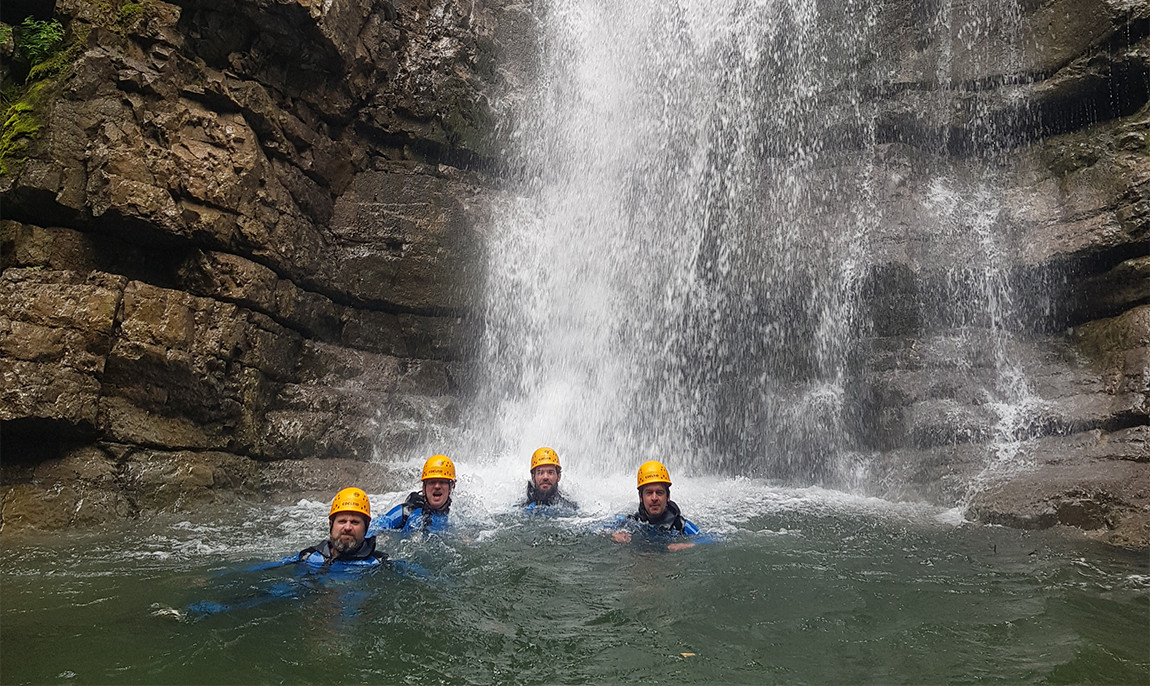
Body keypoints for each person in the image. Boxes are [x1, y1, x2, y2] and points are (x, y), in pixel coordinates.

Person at [610, 460, 705, 551]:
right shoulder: (632, 521)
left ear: (668, 496)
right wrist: (614, 533)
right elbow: (600, 526)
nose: (654, 498)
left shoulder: (680, 525)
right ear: (641, 497)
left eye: (659, 493)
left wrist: (688, 545)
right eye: (649, 493)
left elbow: (709, 538)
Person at [295, 487, 388, 568]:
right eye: (342, 521)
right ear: (331, 524)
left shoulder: (380, 563)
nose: (347, 527)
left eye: (354, 522)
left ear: (366, 527)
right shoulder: (306, 557)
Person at [371, 455, 456, 535]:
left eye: (442, 482)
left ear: (451, 487)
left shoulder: (459, 514)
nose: (437, 486)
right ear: (423, 488)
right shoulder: (406, 512)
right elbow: (373, 527)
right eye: (432, 482)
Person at [522, 446, 578, 513]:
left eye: (550, 472)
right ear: (533, 477)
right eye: (540, 472)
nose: (545, 477)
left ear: (559, 476)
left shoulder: (570, 508)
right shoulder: (523, 507)